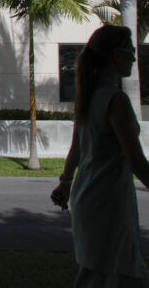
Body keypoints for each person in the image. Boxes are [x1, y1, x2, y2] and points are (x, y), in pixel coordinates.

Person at [51, 24, 149, 287]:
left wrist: (65, 182)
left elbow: (77, 147)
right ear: (116, 55)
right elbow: (136, 161)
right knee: (119, 273)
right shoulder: (117, 101)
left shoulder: (89, 96)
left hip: (87, 197)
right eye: (130, 50)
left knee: (99, 273)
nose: (134, 56)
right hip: (109, 202)